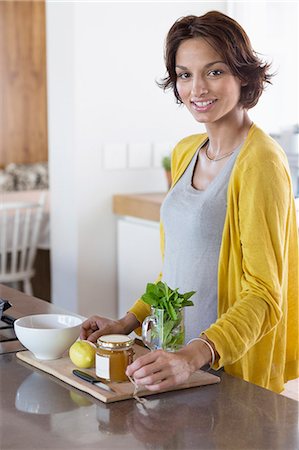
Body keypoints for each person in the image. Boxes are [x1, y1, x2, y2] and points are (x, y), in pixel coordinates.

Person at [81, 10, 299, 393]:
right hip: (172, 362)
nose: (197, 89)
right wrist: (126, 323)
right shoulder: (186, 152)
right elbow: (175, 272)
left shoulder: (260, 161)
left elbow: (264, 294)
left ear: (244, 75)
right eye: (185, 74)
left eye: (214, 72)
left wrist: (193, 356)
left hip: (225, 368)